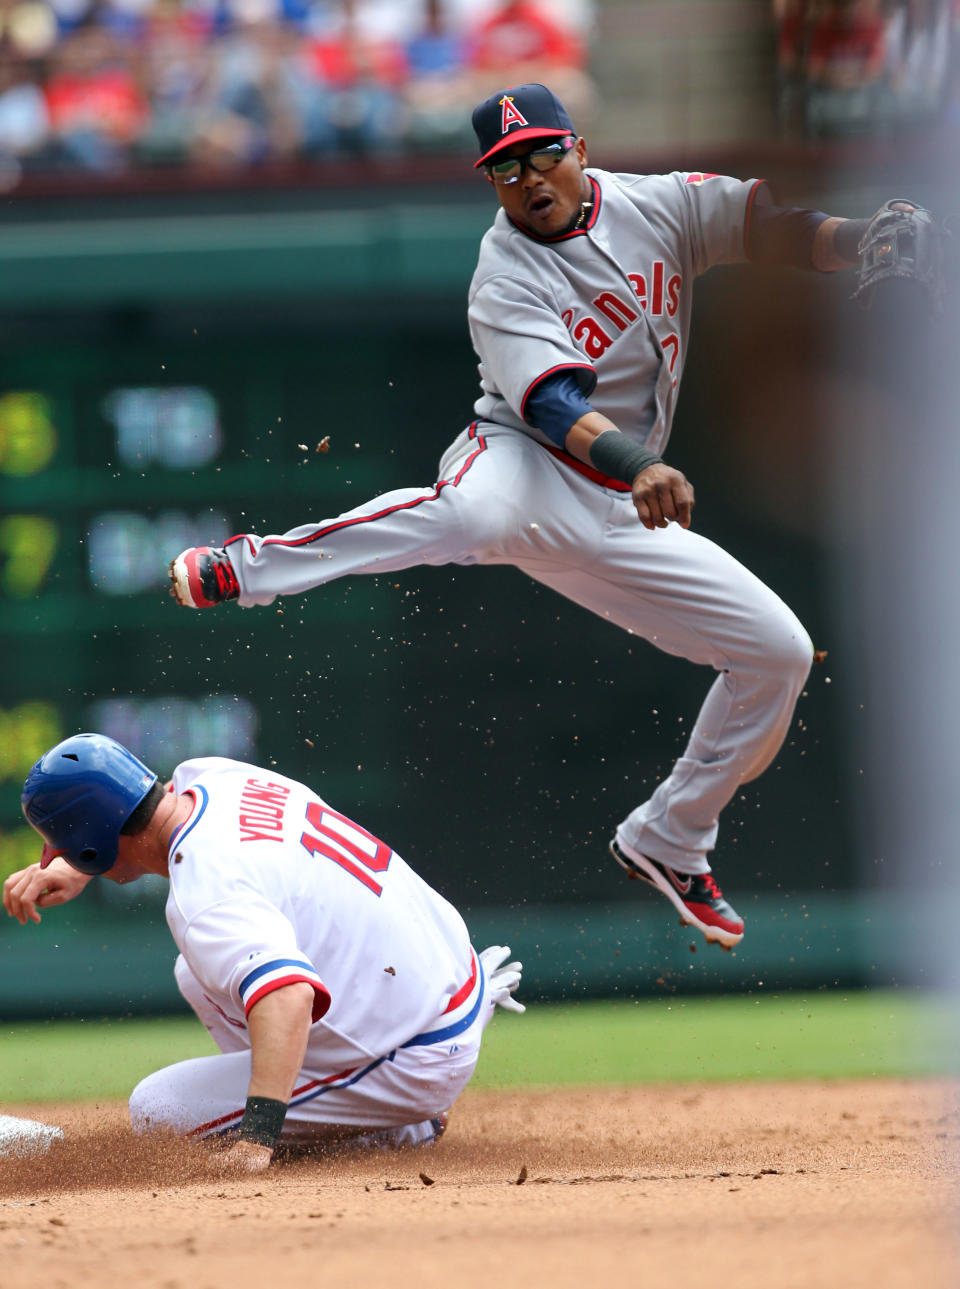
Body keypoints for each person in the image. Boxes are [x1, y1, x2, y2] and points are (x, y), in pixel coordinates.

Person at [166, 81, 913, 952]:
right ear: (493, 184)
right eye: (506, 166)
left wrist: (864, 242)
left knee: (777, 653)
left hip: (621, 509)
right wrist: (639, 463)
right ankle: (248, 567)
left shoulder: (658, 203)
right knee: (470, 516)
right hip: (528, 463)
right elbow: (554, 405)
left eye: (544, 152)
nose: (529, 176)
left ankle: (670, 837)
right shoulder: (504, 272)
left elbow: (768, 225)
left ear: (581, 149)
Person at [4, 732, 523, 1173]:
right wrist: (76, 866)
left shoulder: (206, 898)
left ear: (93, 843)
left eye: (68, 846)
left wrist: (257, 1136)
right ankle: (346, 1096)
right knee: (198, 971)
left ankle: (398, 1125)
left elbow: (290, 995)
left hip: (417, 1052)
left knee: (157, 1110)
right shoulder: (213, 777)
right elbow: (134, 820)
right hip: (445, 972)